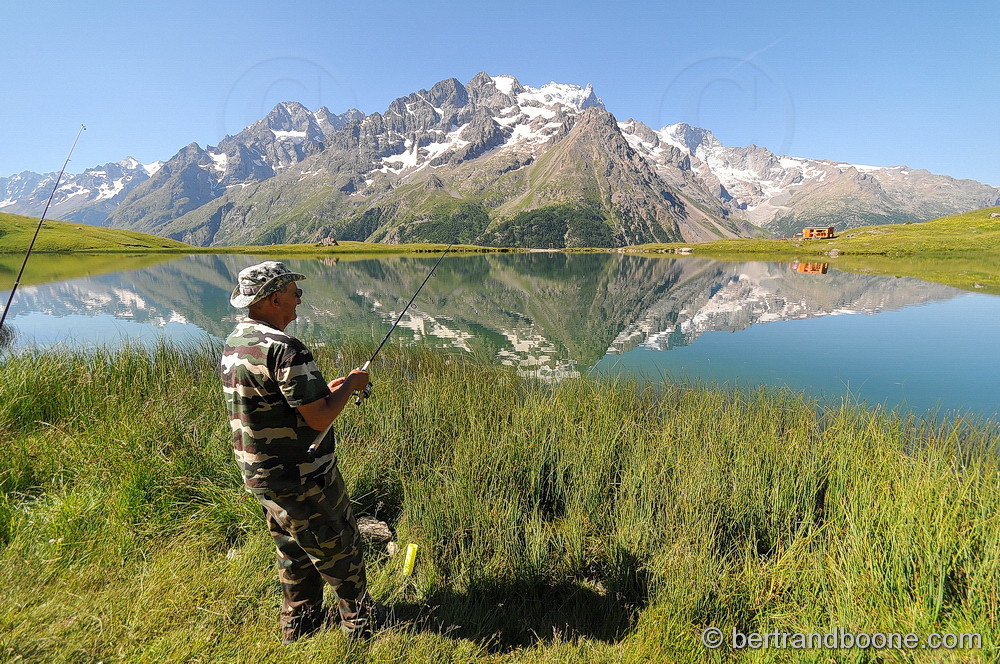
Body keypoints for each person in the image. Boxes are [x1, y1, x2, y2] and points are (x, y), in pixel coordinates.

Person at [220, 260, 384, 643]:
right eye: (295, 293)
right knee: (339, 547)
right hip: (302, 473)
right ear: (275, 297)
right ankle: (361, 626)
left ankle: (299, 624)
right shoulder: (285, 347)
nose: (299, 301)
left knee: (293, 550)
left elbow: (279, 400)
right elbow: (317, 418)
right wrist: (353, 384)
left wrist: (328, 387)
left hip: (261, 473)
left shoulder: (237, 340)